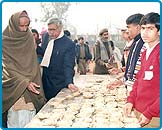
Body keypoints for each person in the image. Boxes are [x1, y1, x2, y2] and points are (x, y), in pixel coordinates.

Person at [2, 10, 46, 128]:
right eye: (21, 26)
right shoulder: (4, 40)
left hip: (32, 83)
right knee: (16, 120)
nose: (24, 29)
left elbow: (32, 63)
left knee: (31, 121)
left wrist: (33, 80)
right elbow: (7, 67)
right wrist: (24, 82)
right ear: (14, 24)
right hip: (14, 86)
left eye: (27, 25)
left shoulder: (29, 37)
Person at [124, 12, 160, 128]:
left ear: (159, 31)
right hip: (140, 112)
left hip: (154, 116)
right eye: (143, 28)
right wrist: (130, 100)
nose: (145, 32)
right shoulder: (145, 52)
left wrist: (150, 112)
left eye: (150, 28)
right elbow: (138, 80)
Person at [41, 18, 78, 101]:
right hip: (45, 80)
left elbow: (68, 66)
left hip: (59, 82)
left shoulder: (68, 44)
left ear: (60, 28)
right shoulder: (46, 37)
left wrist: (69, 82)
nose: (50, 32)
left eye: (53, 30)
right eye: (49, 30)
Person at [107, 13, 145, 91]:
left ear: (137, 27)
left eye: (128, 27)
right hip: (133, 85)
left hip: (139, 88)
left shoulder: (143, 44)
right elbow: (133, 66)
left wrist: (124, 81)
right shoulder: (136, 42)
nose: (127, 31)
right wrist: (123, 79)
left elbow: (141, 71)